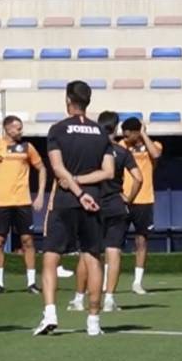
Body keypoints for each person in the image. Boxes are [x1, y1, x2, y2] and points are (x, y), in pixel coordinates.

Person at [33, 81, 115, 337]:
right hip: (93, 200)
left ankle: (50, 314)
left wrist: (75, 187)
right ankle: (94, 321)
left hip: (66, 199)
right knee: (92, 258)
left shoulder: (58, 129)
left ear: (68, 99)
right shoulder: (100, 132)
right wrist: (84, 187)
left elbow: (58, 168)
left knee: (50, 257)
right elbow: (108, 172)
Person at [69, 110, 142, 313]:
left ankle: (79, 298)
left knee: (87, 252)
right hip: (116, 205)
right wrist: (129, 198)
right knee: (114, 251)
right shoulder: (122, 152)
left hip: (93, 204)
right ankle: (109, 299)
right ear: (116, 128)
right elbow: (139, 178)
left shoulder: (89, 150)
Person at [0, 116, 46, 295]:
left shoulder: (27, 147)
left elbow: (42, 168)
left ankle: (31, 283)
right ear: (8, 129)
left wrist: (40, 195)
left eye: (21, 128)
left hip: (23, 202)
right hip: (2, 203)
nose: (21, 131)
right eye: (18, 128)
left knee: (28, 241)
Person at [120, 117, 162, 295]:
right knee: (114, 241)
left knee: (141, 240)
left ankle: (137, 282)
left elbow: (156, 155)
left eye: (128, 134)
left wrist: (143, 134)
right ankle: (107, 280)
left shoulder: (154, 145)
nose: (125, 137)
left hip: (144, 199)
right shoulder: (121, 146)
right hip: (123, 198)